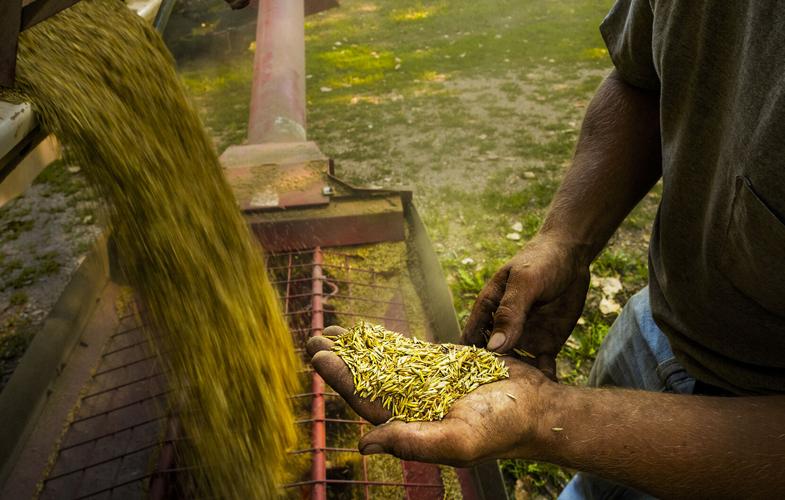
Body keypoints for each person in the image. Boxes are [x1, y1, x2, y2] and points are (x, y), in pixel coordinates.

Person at [307, 1, 785, 497]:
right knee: (594, 488)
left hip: (749, 442)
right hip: (659, 325)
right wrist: (566, 239)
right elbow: (640, 80)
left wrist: (549, 416)